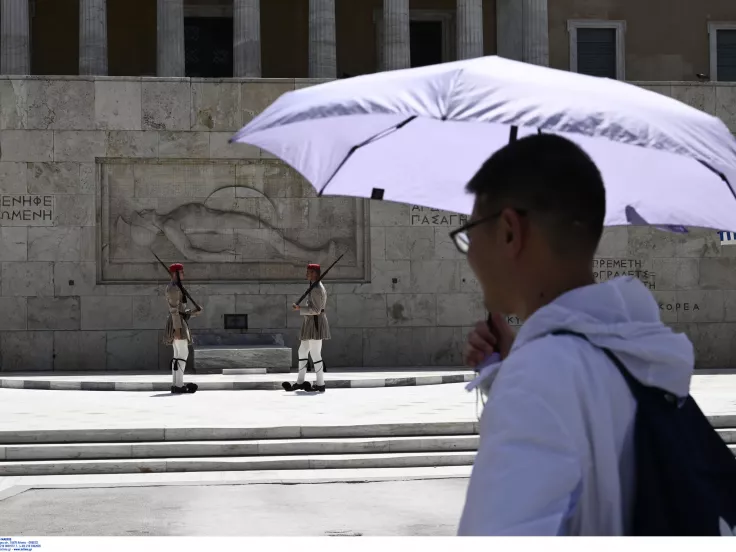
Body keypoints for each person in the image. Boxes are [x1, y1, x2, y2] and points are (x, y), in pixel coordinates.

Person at [453, 134, 694, 536]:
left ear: (510, 231)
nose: (470, 249)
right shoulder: (637, 349)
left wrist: (524, 372)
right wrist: (518, 361)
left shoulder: (540, 378)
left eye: (470, 230)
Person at [282, 263, 331, 393]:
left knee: (315, 354)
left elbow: (316, 310)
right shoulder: (313, 286)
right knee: (302, 351)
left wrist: (300, 308)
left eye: (309, 272)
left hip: (315, 322)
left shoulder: (317, 288)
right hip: (309, 322)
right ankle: (300, 382)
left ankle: (321, 384)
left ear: (315, 273)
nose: (306, 274)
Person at [164, 263, 203, 394]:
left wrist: (194, 312)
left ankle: (176, 384)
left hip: (179, 321)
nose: (183, 274)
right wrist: (178, 330)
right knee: (182, 354)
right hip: (177, 323)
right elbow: (175, 311)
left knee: (178, 355)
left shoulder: (176, 287)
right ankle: (179, 384)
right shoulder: (174, 289)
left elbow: (181, 311)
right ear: (175, 274)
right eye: (181, 272)